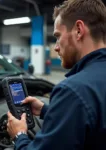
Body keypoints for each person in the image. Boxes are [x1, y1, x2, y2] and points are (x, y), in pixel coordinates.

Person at [7, 0, 106, 149]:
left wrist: (19, 135)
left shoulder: (73, 90)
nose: (57, 47)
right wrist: (46, 110)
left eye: (58, 36)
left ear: (79, 30)